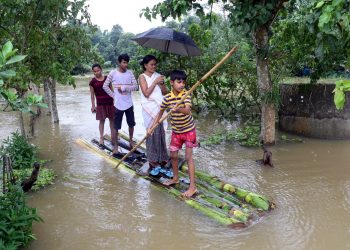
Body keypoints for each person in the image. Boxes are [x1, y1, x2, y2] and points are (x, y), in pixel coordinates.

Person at [148, 70, 198, 198]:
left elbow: (187, 111)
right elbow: (159, 114)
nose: (182, 84)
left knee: (188, 158)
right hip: (176, 132)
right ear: (171, 82)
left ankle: (192, 187)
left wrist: (178, 108)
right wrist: (152, 127)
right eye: (179, 82)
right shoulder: (167, 98)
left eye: (183, 82)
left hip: (189, 131)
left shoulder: (185, 95)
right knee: (173, 156)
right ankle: (175, 178)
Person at [103, 54, 138, 154]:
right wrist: (114, 95)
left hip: (129, 103)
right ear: (119, 62)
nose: (125, 64)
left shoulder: (130, 73)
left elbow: (136, 87)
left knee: (131, 123)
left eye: (127, 62)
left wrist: (124, 88)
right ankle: (116, 146)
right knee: (116, 126)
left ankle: (131, 141)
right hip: (118, 104)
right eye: (124, 62)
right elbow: (105, 86)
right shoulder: (113, 73)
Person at [139, 55, 169, 171]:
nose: (154, 66)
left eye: (155, 64)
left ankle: (162, 157)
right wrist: (155, 82)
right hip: (149, 108)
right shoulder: (142, 77)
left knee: (160, 132)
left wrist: (161, 84)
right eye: (151, 64)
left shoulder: (158, 76)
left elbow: (165, 92)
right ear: (145, 65)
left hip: (159, 107)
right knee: (151, 132)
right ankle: (152, 160)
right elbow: (146, 93)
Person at [89, 64, 116, 146]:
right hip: (100, 104)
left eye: (98, 70)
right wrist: (93, 106)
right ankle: (101, 137)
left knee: (112, 120)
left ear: (101, 70)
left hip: (110, 102)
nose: (97, 72)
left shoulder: (107, 78)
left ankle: (113, 137)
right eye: (95, 71)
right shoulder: (92, 82)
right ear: (93, 72)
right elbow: (92, 95)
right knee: (102, 121)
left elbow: (112, 91)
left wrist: (116, 101)